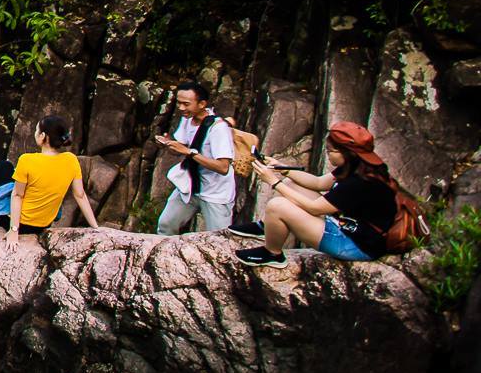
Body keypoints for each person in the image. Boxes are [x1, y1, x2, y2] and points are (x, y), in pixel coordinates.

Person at [236, 123, 403, 267]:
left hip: (357, 245)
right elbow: (318, 183)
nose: (328, 154)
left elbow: (314, 208)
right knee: (291, 184)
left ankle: (272, 254)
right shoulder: (359, 166)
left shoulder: (360, 182)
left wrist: (274, 182)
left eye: (330, 151)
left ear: (346, 153)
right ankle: (267, 227)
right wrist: (283, 169)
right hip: (351, 229)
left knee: (277, 206)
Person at [155, 80, 236, 234]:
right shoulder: (187, 119)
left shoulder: (218, 128)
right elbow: (181, 148)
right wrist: (168, 144)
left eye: (186, 104)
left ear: (202, 104)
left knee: (220, 237)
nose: (181, 108)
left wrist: (189, 152)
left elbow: (223, 167)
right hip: (190, 185)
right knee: (166, 225)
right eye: (179, 103)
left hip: (215, 192)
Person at [7, 115, 99, 245]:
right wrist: (96, 227)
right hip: (43, 225)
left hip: (22, 225)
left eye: (37, 130)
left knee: (3, 168)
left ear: (43, 136)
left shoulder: (26, 160)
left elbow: (17, 195)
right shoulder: (71, 160)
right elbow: (80, 195)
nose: (35, 133)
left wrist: (14, 230)